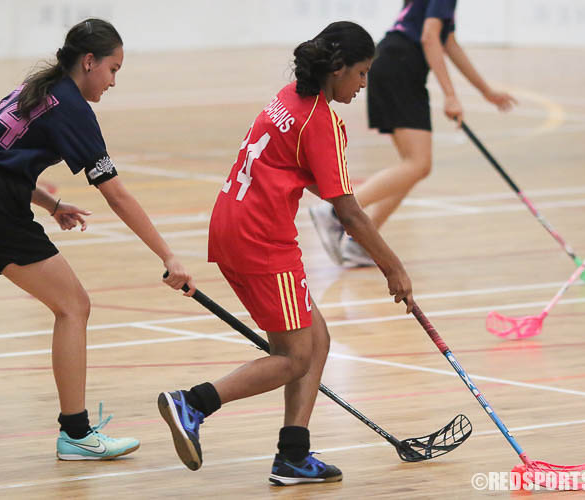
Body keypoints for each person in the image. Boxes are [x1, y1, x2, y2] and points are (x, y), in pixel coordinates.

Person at [0, 18, 195, 460]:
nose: (114, 81)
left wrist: (49, 205)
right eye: (113, 69)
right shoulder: (72, 107)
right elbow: (116, 194)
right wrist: (169, 255)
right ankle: (76, 433)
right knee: (74, 306)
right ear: (89, 62)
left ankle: (76, 433)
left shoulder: (37, 88)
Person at [158, 21, 414, 486]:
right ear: (336, 69)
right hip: (262, 240)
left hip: (232, 223)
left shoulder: (289, 97)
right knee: (295, 356)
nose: (363, 85)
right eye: (360, 73)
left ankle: (292, 456)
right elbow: (349, 216)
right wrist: (393, 268)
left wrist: (340, 194)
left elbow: (298, 170)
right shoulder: (320, 120)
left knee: (317, 340)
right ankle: (193, 402)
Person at [310, 0, 517, 266]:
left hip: (392, 63)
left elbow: (447, 41)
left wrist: (485, 91)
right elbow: (430, 36)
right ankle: (336, 212)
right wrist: (451, 96)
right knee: (418, 164)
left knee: (414, 165)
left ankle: (360, 241)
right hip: (401, 67)